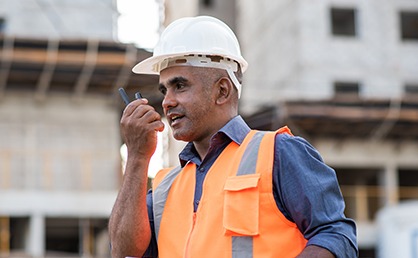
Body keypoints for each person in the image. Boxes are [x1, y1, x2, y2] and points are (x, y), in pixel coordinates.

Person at [109, 16, 358, 258]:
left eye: (180, 86)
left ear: (222, 90)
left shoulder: (278, 153)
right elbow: (124, 252)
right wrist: (137, 158)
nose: (167, 101)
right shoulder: (165, 187)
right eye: (164, 90)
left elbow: (336, 235)